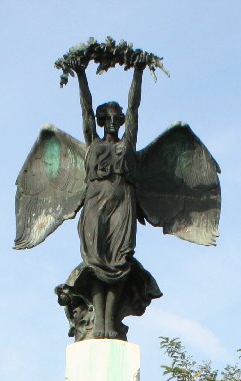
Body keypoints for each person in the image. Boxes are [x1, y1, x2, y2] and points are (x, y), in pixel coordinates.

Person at [55, 64, 162, 340]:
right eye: (109, 118)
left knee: (119, 261)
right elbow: (85, 109)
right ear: (102, 121)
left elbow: (135, 108)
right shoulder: (93, 143)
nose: (113, 121)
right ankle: (99, 320)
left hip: (123, 202)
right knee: (96, 262)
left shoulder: (127, 144)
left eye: (118, 118)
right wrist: (81, 74)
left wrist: (138, 73)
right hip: (94, 204)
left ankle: (110, 322)